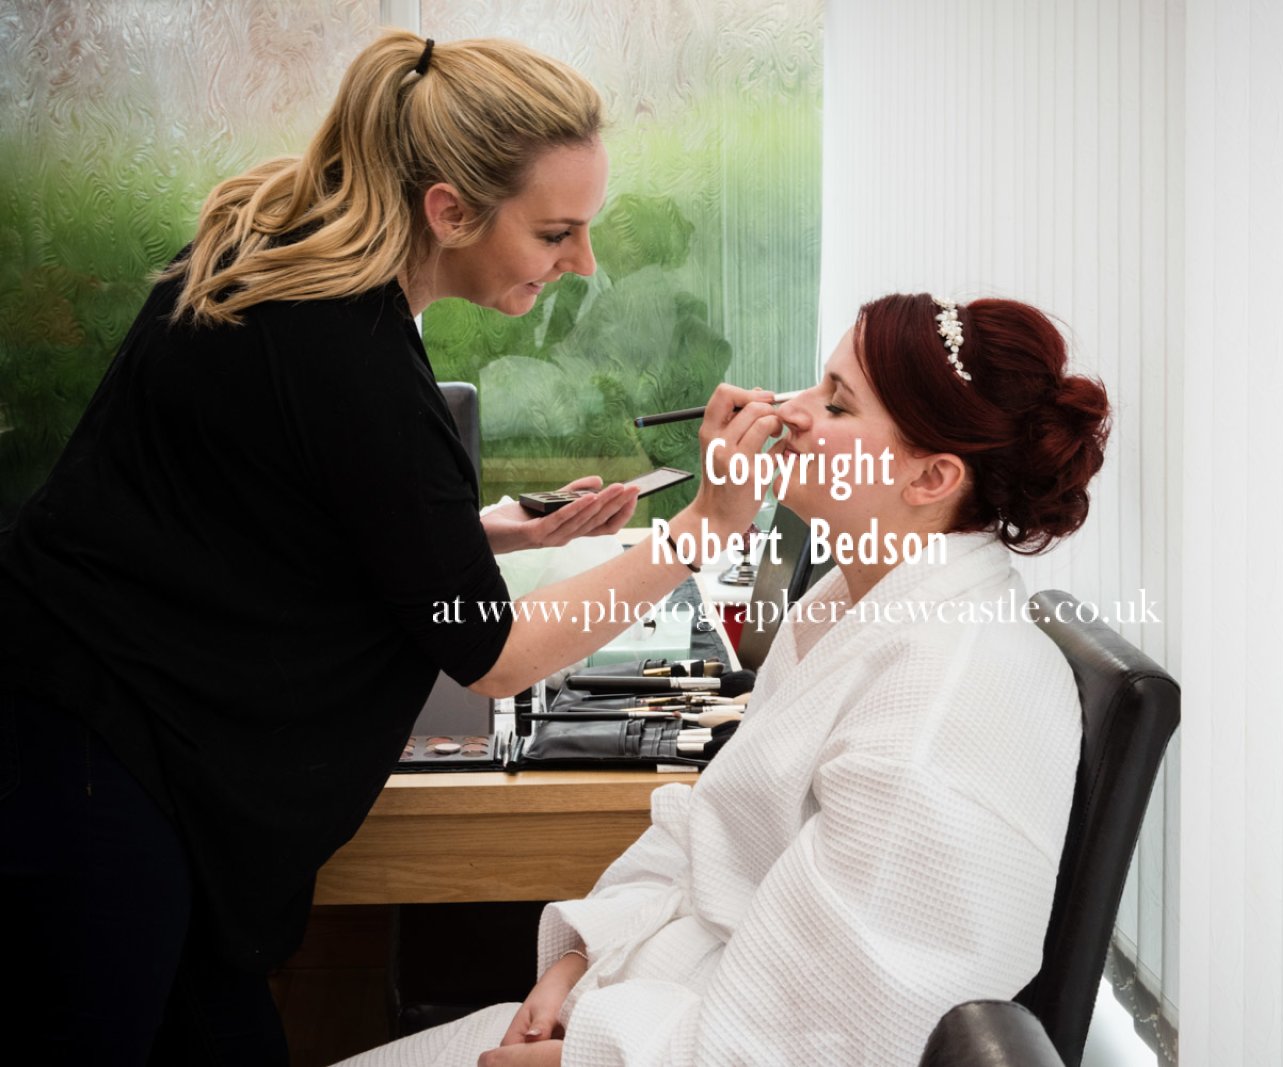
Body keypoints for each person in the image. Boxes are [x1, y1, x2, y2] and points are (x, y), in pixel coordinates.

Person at [0, 31, 780, 1065]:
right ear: (448, 211)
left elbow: (260, 509)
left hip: (89, 715)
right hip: (96, 760)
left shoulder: (281, 264)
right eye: (556, 231)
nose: (583, 262)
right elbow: (492, 652)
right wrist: (704, 529)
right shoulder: (352, 355)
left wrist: (470, 533)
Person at [335, 292, 1112, 1067]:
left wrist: (585, 1056)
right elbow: (712, 829)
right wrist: (579, 957)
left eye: (836, 403)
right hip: (646, 1011)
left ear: (932, 476)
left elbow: (834, 1035)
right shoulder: (847, 604)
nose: (790, 410)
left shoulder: (943, 708)